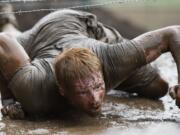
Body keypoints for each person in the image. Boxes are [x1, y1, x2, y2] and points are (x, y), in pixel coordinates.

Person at [0, 4, 179, 119]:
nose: (94, 99)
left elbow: (173, 33)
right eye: (82, 92)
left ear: (103, 73)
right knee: (13, 35)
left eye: (98, 87)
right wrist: (9, 100)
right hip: (45, 36)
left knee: (159, 87)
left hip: (81, 26)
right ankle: (5, 17)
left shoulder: (115, 59)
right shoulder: (34, 87)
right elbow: (3, 41)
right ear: (62, 90)